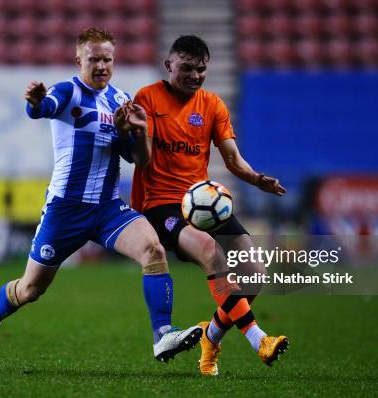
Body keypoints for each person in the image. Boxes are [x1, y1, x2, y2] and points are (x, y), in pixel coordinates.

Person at [0, 28, 202, 367]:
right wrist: (35, 101)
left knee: (153, 250)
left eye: (108, 59)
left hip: (108, 208)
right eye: (94, 59)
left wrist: (138, 131)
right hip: (66, 210)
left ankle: (162, 333)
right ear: (79, 59)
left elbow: (139, 159)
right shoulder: (68, 91)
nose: (102, 65)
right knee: (31, 290)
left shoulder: (122, 101)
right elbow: (43, 108)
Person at [125, 35, 289, 376]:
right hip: (160, 205)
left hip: (203, 203)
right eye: (186, 68)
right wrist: (137, 133)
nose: (194, 75)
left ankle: (211, 338)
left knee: (255, 273)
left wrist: (258, 179)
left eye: (201, 69)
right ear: (168, 65)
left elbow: (232, 159)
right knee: (210, 252)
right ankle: (259, 339)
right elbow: (145, 157)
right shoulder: (148, 98)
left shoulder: (213, 105)